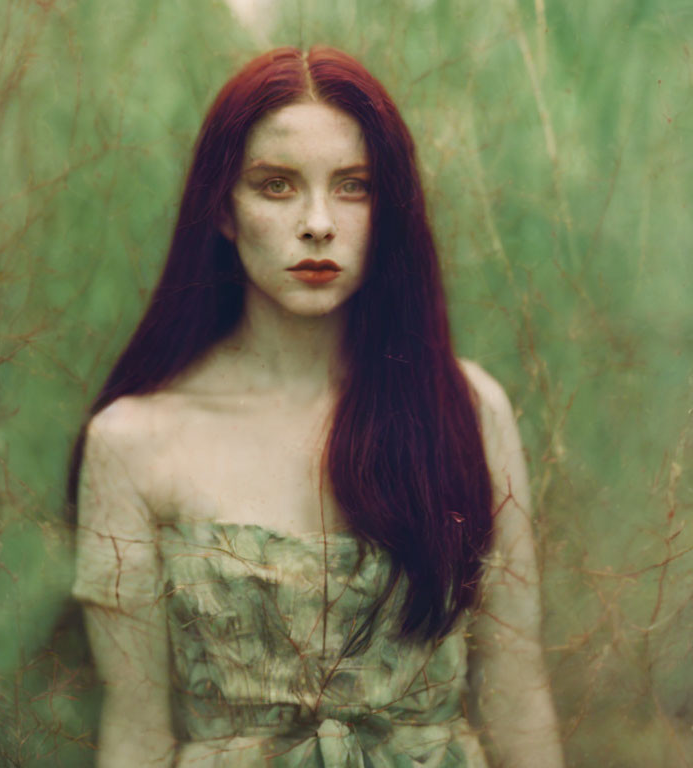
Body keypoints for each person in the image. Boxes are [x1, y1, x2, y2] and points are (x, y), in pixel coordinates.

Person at [68, 46, 565, 767]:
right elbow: (138, 731)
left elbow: (519, 698)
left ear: (388, 210)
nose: (318, 223)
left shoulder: (465, 407)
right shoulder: (134, 441)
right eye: (276, 186)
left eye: (354, 186)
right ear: (223, 210)